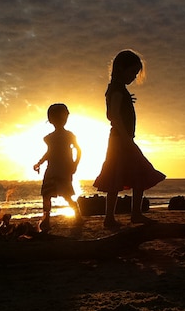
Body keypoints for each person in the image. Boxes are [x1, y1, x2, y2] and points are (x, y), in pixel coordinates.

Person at [92, 49, 165, 228]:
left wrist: (126, 100)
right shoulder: (116, 89)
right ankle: (122, 216)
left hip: (122, 138)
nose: (133, 77)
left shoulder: (118, 89)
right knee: (128, 173)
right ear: (121, 69)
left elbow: (116, 109)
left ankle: (128, 215)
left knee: (128, 174)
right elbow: (112, 114)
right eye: (132, 72)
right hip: (121, 140)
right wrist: (125, 137)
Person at [33, 103, 81, 232]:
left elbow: (79, 150)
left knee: (66, 194)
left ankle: (77, 214)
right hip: (52, 168)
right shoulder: (49, 138)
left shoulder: (69, 135)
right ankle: (46, 218)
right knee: (46, 194)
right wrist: (40, 162)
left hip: (64, 169)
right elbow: (50, 153)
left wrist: (75, 164)